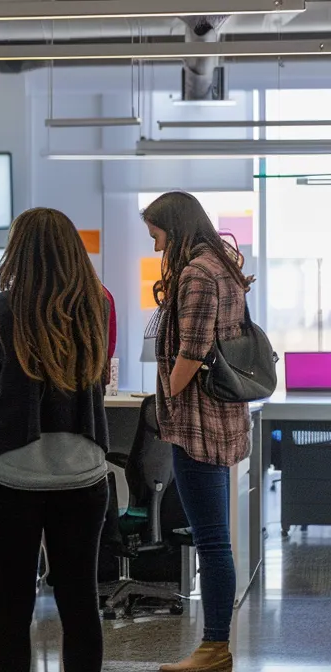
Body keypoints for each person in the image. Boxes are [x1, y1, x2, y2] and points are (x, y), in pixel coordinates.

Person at [0, 207, 112, 672]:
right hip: (83, 472)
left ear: (19, 251)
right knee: (80, 599)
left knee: (12, 601)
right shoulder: (98, 304)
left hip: (11, 474)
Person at [144, 191, 251, 672]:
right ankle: (215, 646)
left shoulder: (197, 273)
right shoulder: (222, 267)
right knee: (216, 534)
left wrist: (167, 389)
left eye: (157, 236)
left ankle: (214, 647)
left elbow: (192, 349)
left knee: (210, 539)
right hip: (220, 418)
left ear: (176, 228)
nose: (156, 248)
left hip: (197, 423)